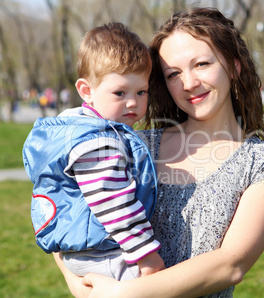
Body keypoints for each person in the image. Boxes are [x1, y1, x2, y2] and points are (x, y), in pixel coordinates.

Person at [55, 7, 264, 297]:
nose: (189, 83)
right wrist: (84, 289)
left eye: (202, 64)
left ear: (234, 66)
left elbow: (231, 265)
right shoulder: (132, 146)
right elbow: (62, 209)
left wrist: (122, 294)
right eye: (173, 74)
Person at [23, 22, 165, 281]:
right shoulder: (97, 143)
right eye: (120, 92)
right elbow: (114, 203)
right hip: (108, 256)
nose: (133, 101)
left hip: (88, 251)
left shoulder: (78, 128)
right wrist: (147, 257)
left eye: (141, 91)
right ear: (87, 91)